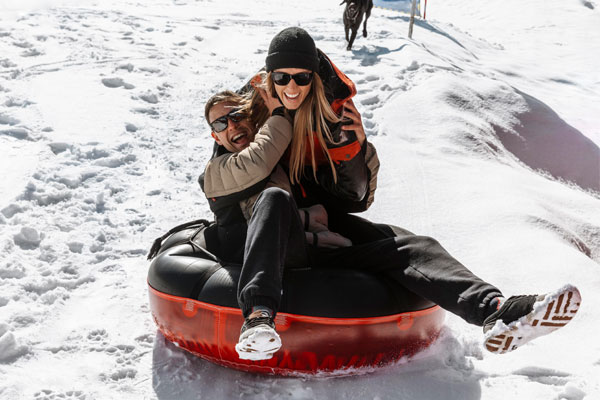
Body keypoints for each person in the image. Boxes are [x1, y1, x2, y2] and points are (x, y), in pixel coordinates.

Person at [200, 27, 581, 360]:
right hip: (259, 252)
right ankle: (257, 318)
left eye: (237, 113)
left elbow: (348, 198)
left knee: (411, 245)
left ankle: (496, 311)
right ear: (213, 134)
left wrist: (354, 152)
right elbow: (259, 165)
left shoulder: (283, 153)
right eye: (221, 121)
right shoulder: (216, 172)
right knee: (275, 200)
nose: (233, 123)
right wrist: (280, 116)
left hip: (309, 245)